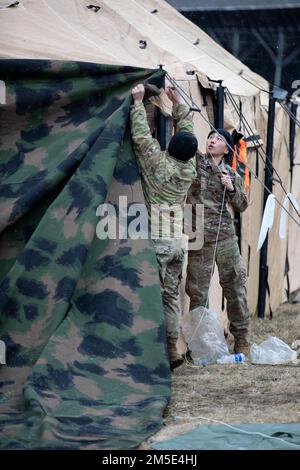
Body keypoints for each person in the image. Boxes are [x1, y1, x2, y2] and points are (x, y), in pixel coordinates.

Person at [130, 83, 198, 370]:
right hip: (175, 244)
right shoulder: (188, 169)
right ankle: (172, 349)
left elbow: (141, 136)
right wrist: (179, 105)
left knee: (150, 298)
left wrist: (136, 102)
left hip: (156, 242)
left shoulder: (158, 165)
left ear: (169, 146)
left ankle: (151, 354)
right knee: (170, 299)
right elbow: (189, 136)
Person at [186, 129, 250, 356]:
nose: (212, 140)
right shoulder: (195, 163)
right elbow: (183, 135)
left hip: (225, 239)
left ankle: (241, 338)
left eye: (219, 139)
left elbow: (243, 205)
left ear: (228, 148)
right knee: (197, 293)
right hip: (199, 237)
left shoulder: (232, 174)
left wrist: (231, 188)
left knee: (234, 289)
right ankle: (199, 344)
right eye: (210, 136)